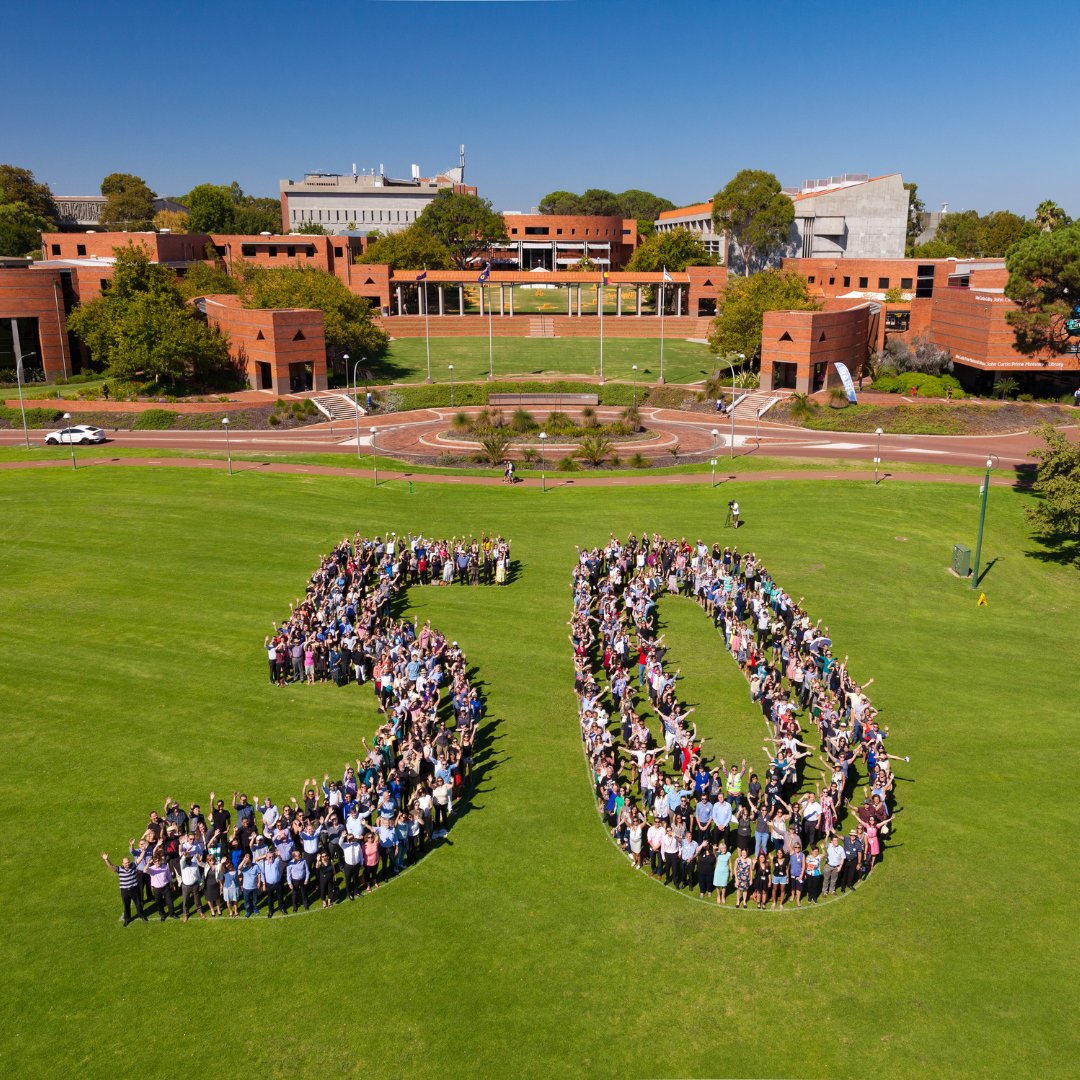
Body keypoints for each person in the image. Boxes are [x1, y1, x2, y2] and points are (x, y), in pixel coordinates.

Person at [101, 850, 147, 925]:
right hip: (125, 891)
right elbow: (111, 866)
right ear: (122, 863)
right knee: (126, 905)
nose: (127, 864)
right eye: (125, 863)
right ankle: (127, 919)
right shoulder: (119, 869)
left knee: (138, 904)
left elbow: (140, 857)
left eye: (128, 862)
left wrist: (144, 850)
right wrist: (106, 859)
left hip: (135, 889)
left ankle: (142, 915)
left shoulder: (133, 865)